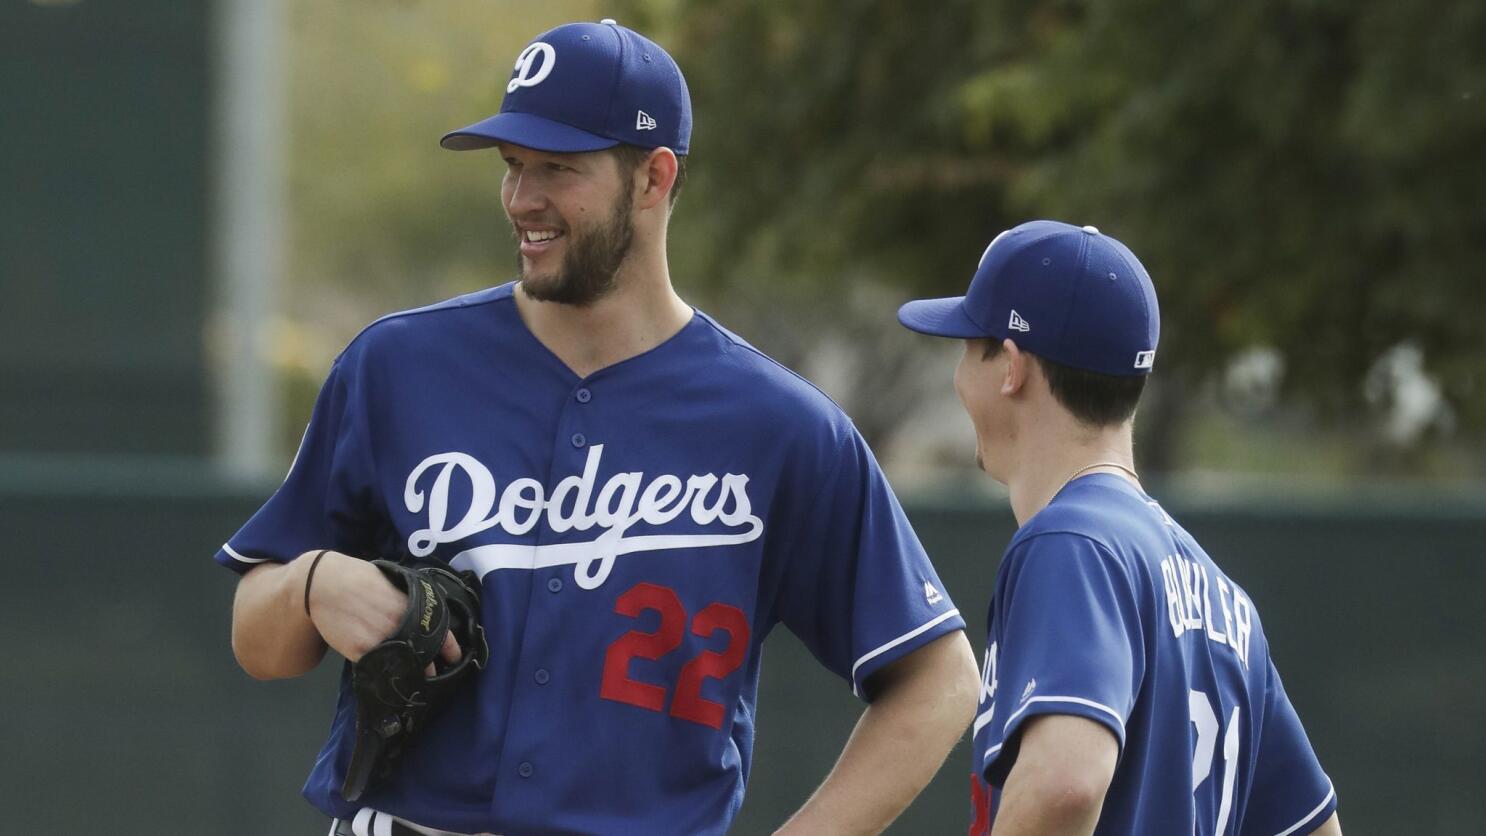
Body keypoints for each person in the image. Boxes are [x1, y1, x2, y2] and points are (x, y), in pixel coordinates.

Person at [220, 19, 979, 836]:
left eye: (558, 167)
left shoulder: (778, 426)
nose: (522, 198)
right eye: (513, 166)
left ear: (653, 178)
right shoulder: (396, 368)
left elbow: (939, 679)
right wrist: (312, 583)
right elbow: (259, 640)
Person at [897, 220, 1341, 836]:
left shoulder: (1071, 544)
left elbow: (1065, 784)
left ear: (1011, 368)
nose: (959, 375)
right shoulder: (1223, 595)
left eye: (971, 347)